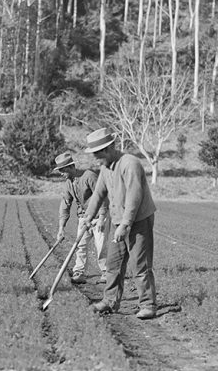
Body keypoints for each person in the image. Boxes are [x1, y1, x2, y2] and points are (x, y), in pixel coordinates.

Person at [82, 127, 158, 320]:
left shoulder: (130, 164)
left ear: (108, 149)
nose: (96, 160)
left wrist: (125, 225)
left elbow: (135, 196)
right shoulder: (105, 168)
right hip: (119, 220)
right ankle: (109, 301)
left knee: (139, 264)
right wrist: (88, 217)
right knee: (113, 263)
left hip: (138, 220)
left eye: (97, 155)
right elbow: (99, 193)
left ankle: (148, 305)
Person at [53, 152, 108, 284]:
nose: (61, 173)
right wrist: (61, 228)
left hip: (97, 216)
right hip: (84, 217)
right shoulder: (68, 183)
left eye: (62, 170)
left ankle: (106, 273)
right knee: (80, 246)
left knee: (100, 246)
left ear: (71, 167)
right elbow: (65, 204)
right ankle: (79, 273)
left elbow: (102, 195)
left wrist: (101, 217)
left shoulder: (89, 176)